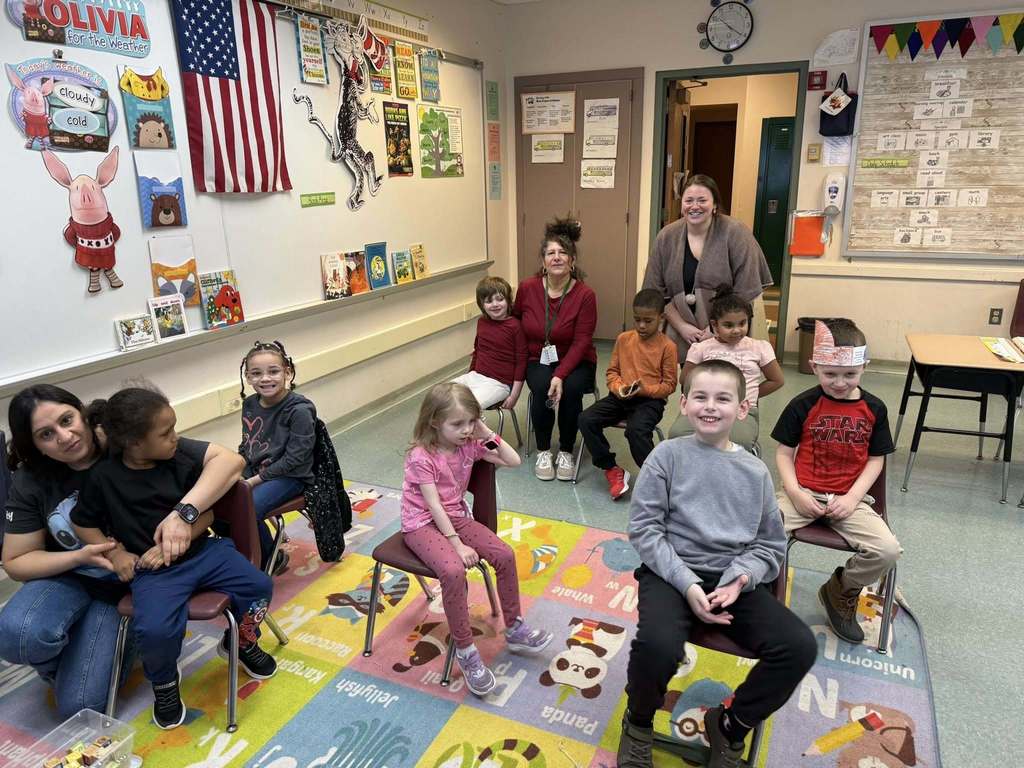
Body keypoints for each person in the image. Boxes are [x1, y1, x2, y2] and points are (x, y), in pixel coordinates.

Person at [617, 360, 817, 768]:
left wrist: (738, 580)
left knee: (798, 646)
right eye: (701, 398)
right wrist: (689, 585)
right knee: (657, 646)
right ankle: (637, 724)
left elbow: (769, 544)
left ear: (742, 409)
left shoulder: (755, 472)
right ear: (685, 404)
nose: (711, 407)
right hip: (671, 573)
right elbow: (646, 531)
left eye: (723, 398)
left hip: (733, 581)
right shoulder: (665, 457)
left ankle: (729, 725)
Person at [72, 386, 276, 730]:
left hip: (205, 553)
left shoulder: (180, 461)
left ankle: (240, 640)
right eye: (166, 433)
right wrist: (118, 552)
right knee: (154, 631)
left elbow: (208, 516)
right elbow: (83, 523)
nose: (176, 438)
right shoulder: (103, 477)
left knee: (259, 586)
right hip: (153, 574)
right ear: (134, 443)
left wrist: (180, 534)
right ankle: (165, 683)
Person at [401, 382, 553, 696]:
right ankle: (467, 652)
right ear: (434, 422)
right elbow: (433, 506)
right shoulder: (421, 456)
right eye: (457, 424)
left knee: (505, 554)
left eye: (471, 420)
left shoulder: (470, 444)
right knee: (454, 571)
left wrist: (483, 430)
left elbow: (514, 460)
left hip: (455, 516)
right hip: (421, 524)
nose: (465, 429)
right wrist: (458, 545)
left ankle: (515, 627)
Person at [0, 385, 136, 719]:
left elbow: (221, 461)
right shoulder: (31, 478)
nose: (65, 436)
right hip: (69, 577)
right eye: (47, 434)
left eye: (67, 419)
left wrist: (186, 515)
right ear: (36, 447)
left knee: (81, 707)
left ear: (83, 412)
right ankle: (67, 646)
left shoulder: (126, 441)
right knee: (13, 635)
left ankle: (85, 646)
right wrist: (78, 556)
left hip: (123, 589)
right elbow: (15, 561)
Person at [772, 319, 900, 644]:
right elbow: (784, 454)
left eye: (850, 374)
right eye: (830, 374)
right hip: (803, 494)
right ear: (814, 367)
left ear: (864, 367)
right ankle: (760, 594)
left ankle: (840, 590)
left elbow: (876, 458)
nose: (840, 383)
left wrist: (855, 497)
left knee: (886, 551)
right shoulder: (802, 404)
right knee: (757, 529)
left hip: (849, 499)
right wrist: (795, 492)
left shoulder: (874, 409)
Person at [643, 174, 773, 362]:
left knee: (723, 386)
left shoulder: (736, 232)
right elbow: (656, 292)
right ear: (682, 205)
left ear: (714, 205)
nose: (694, 206)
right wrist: (682, 327)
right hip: (681, 331)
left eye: (702, 200)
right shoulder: (666, 236)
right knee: (688, 385)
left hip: (728, 330)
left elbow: (746, 290)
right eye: (689, 200)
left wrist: (715, 329)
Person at [514, 216, 598, 481]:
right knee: (541, 387)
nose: (557, 257)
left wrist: (560, 374)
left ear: (572, 261)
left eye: (563, 252)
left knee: (571, 388)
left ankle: (565, 450)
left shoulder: (585, 295)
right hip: (537, 357)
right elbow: (516, 323)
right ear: (543, 261)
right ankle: (542, 449)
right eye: (551, 253)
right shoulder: (527, 288)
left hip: (577, 359)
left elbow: (582, 340)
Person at [577, 289, 677, 500]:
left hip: (650, 402)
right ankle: (612, 469)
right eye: (637, 319)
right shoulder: (624, 339)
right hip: (621, 397)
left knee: (636, 430)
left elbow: (669, 385)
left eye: (648, 321)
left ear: (662, 318)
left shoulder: (668, 346)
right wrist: (619, 388)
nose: (641, 325)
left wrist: (645, 390)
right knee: (586, 419)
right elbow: (612, 372)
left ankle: (656, 479)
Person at [670, 284, 784, 452]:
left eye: (742, 323)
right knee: (678, 434)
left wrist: (747, 393)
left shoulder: (759, 347)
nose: (737, 330)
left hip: (740, 410)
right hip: (703, 407)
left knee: (739, 442)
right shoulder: (701, 348)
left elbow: (777, 380)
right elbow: (685, 380)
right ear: (714, 325)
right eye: (728, 325)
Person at [237, 340, 317, 573]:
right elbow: (248, 443)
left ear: (287, 372)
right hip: (258, 470)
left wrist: (252, 481)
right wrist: (234, 469)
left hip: (291, 476)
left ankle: (269, 557)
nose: (265, 379)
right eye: (256, 373)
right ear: (248, 377)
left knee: (246, 507)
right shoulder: (250, 403)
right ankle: (242, 551)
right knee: (218, 498)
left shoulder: (300, 409)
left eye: (273, 371)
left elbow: (295, 459)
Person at [451, 276, 527, 410]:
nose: (495, 304)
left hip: (500, 384)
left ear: (508, 301)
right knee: (439, 397)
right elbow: (478, 351)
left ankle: (477, 430)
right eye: (488, 301)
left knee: (466, 408)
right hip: (476, 376)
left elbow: (522, 362)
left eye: (500, 299)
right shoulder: (482, 322)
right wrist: (470, 375)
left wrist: (514, 395)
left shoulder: (515, 326)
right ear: (482, 305)